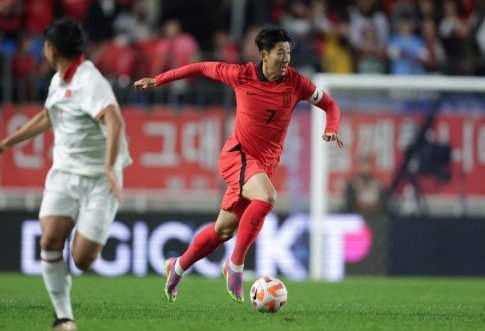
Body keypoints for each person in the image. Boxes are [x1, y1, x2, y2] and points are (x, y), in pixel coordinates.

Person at [134, 27, 343, 304]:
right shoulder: (240, 75)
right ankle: (235, 266)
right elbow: (199, 67)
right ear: (264, 55)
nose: (286, 59)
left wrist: (331, 128)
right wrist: (158, 81)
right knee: (268, 196)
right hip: (238, 155)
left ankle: (178, 266)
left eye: (289, 52)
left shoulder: (296, 83)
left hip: (263, 166)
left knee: (223, 230)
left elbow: (331, 106)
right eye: (281, 53)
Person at [0, 18, 132, 330]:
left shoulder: (90, 81)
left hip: (99, 180)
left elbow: (115, 123)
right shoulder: (60, 79)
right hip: (63, 173)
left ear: (50, 49)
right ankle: (64, 318)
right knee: (49, 240)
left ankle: (85, 232)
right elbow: (49, 116)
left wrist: (109, 169)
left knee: (82, 260)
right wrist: (7, 142)